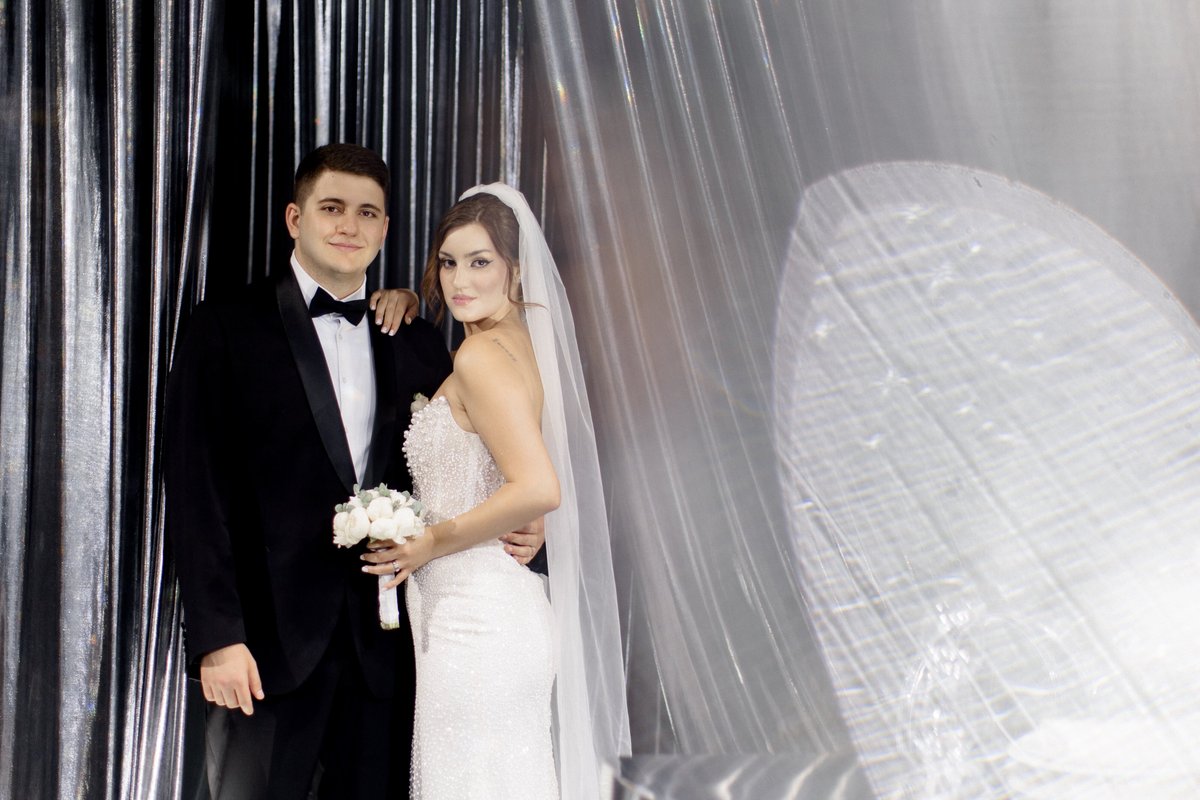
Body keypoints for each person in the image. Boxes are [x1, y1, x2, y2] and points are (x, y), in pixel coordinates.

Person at [163, 144, 544, 799]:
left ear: (386, 228)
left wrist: (530, 521)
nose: (349, 225)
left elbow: (485, 455)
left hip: (392, 650)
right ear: (294, 218)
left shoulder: (419, 339)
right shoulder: (224, 328)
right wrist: (217, 637)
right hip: (266, 651)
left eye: (367, 212)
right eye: (332, 208)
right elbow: (197, 492)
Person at [362, 185, 631, 799]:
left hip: (476, 622)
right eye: (448, 262)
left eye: (480, 262)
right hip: (492, 612)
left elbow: (538, 485)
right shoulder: (519, 347)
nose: (459, 280)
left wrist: (429, 541)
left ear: (516, 268)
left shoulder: (481, 355)